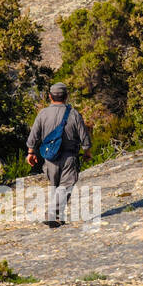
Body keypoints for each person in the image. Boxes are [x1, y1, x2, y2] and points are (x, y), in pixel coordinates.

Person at [26, 83, 91, 227]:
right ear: (66, 96)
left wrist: (31, 153)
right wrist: (87, 151)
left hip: (49, 158)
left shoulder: (43, 114)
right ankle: (52, 214)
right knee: (66, 186)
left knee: (56, 187)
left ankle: (57, 216)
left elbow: (33, 136)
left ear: (50, 96)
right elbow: (84, 136)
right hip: (69, 156)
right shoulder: (73, 114)